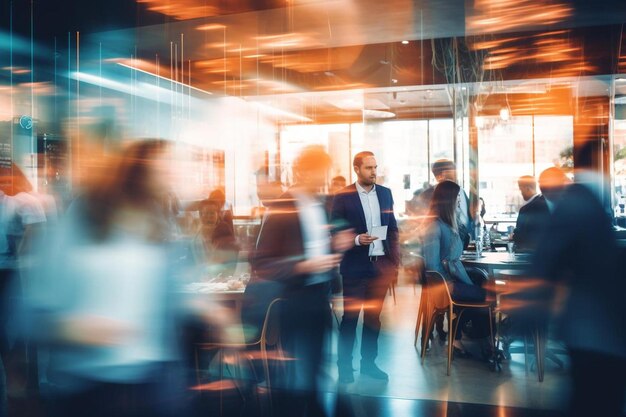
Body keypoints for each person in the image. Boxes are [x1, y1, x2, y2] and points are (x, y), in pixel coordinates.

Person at [248, 146, 353, 416]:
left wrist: (336, 246)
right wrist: (304, 265)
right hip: (294, 299)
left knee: (316, 367)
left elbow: (318, 247)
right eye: (320, 172)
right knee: (301, 375)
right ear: (304, 171)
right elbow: (263, 262)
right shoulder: (283, 205)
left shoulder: (319, 204)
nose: (323, 179)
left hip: (320, 296)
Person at [531, 170, 625, 417]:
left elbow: (548, 261)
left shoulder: (574, 206)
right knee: (597, 397)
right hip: (601, 327)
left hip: (589, 326)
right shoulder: (589, 204)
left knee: (589, 396)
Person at [331, 151, 400, 384]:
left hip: (380, 268)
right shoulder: (342, 197)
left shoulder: (385, 193)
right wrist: (356, 240)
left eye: (375, 167)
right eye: (369, 168)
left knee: (373, 320)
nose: (374, 172)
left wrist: (393, 264)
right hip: (354, 268)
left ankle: (369, 364)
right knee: (350, 320)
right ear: (356, 169)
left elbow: (393, 230)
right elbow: (334, 232)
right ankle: (344, 368)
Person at [421, 180, 491, 356]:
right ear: (449, 200)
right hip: (443, 285)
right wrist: (450, 282)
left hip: (450, 280)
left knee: (482, 285)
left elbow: (454, 252)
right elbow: (432, 266)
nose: (460, 202)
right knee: (486, 296)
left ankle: (473, 341)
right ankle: (483, 344)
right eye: (457, 198)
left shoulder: (448, 224)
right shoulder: (434, 226)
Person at [415, 160, 473, 248]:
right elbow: (423, 221)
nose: (455, 175)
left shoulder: (462, 192)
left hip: (464, 243)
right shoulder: (427, 195)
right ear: (439, 175)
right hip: (443, 245)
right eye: (451, 172)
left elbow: (468, 217)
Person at [513, 175, 549, 252]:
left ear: (527, 188)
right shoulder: (545, 204)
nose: (521, 193)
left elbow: (519, 235)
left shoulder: (526, 209)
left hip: (527, 253)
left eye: (520, 189)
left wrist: (513, 236)